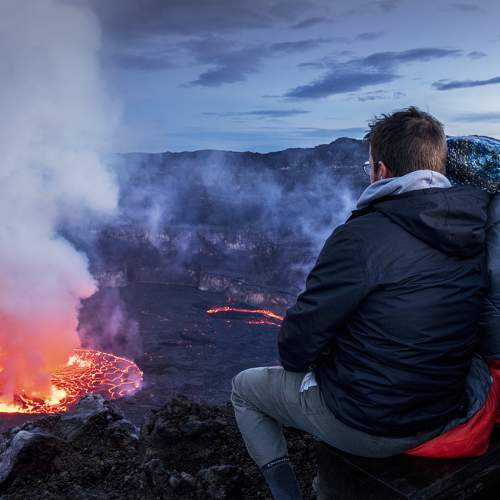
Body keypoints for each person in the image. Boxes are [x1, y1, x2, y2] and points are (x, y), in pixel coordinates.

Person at [230, 106, 490, 500]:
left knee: (244, 389)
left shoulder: (360, 236)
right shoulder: (473, 226)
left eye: (369, 166)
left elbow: (295, 347)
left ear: (381, 171)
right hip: (447, 408)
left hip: (372, 425)